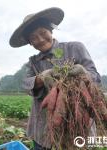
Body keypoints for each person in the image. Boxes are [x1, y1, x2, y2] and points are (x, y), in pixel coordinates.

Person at [9, 7, 101, 150]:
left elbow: (95, 77)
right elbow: (25, 84)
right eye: (33, 37)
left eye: (43, 33)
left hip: (78, 125)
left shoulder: (74, 48)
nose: (40, 39)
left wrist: (83, 73)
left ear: (51, 31)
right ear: (30, 43)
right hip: (43, 130)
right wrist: (42, 77)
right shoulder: (33, 62)